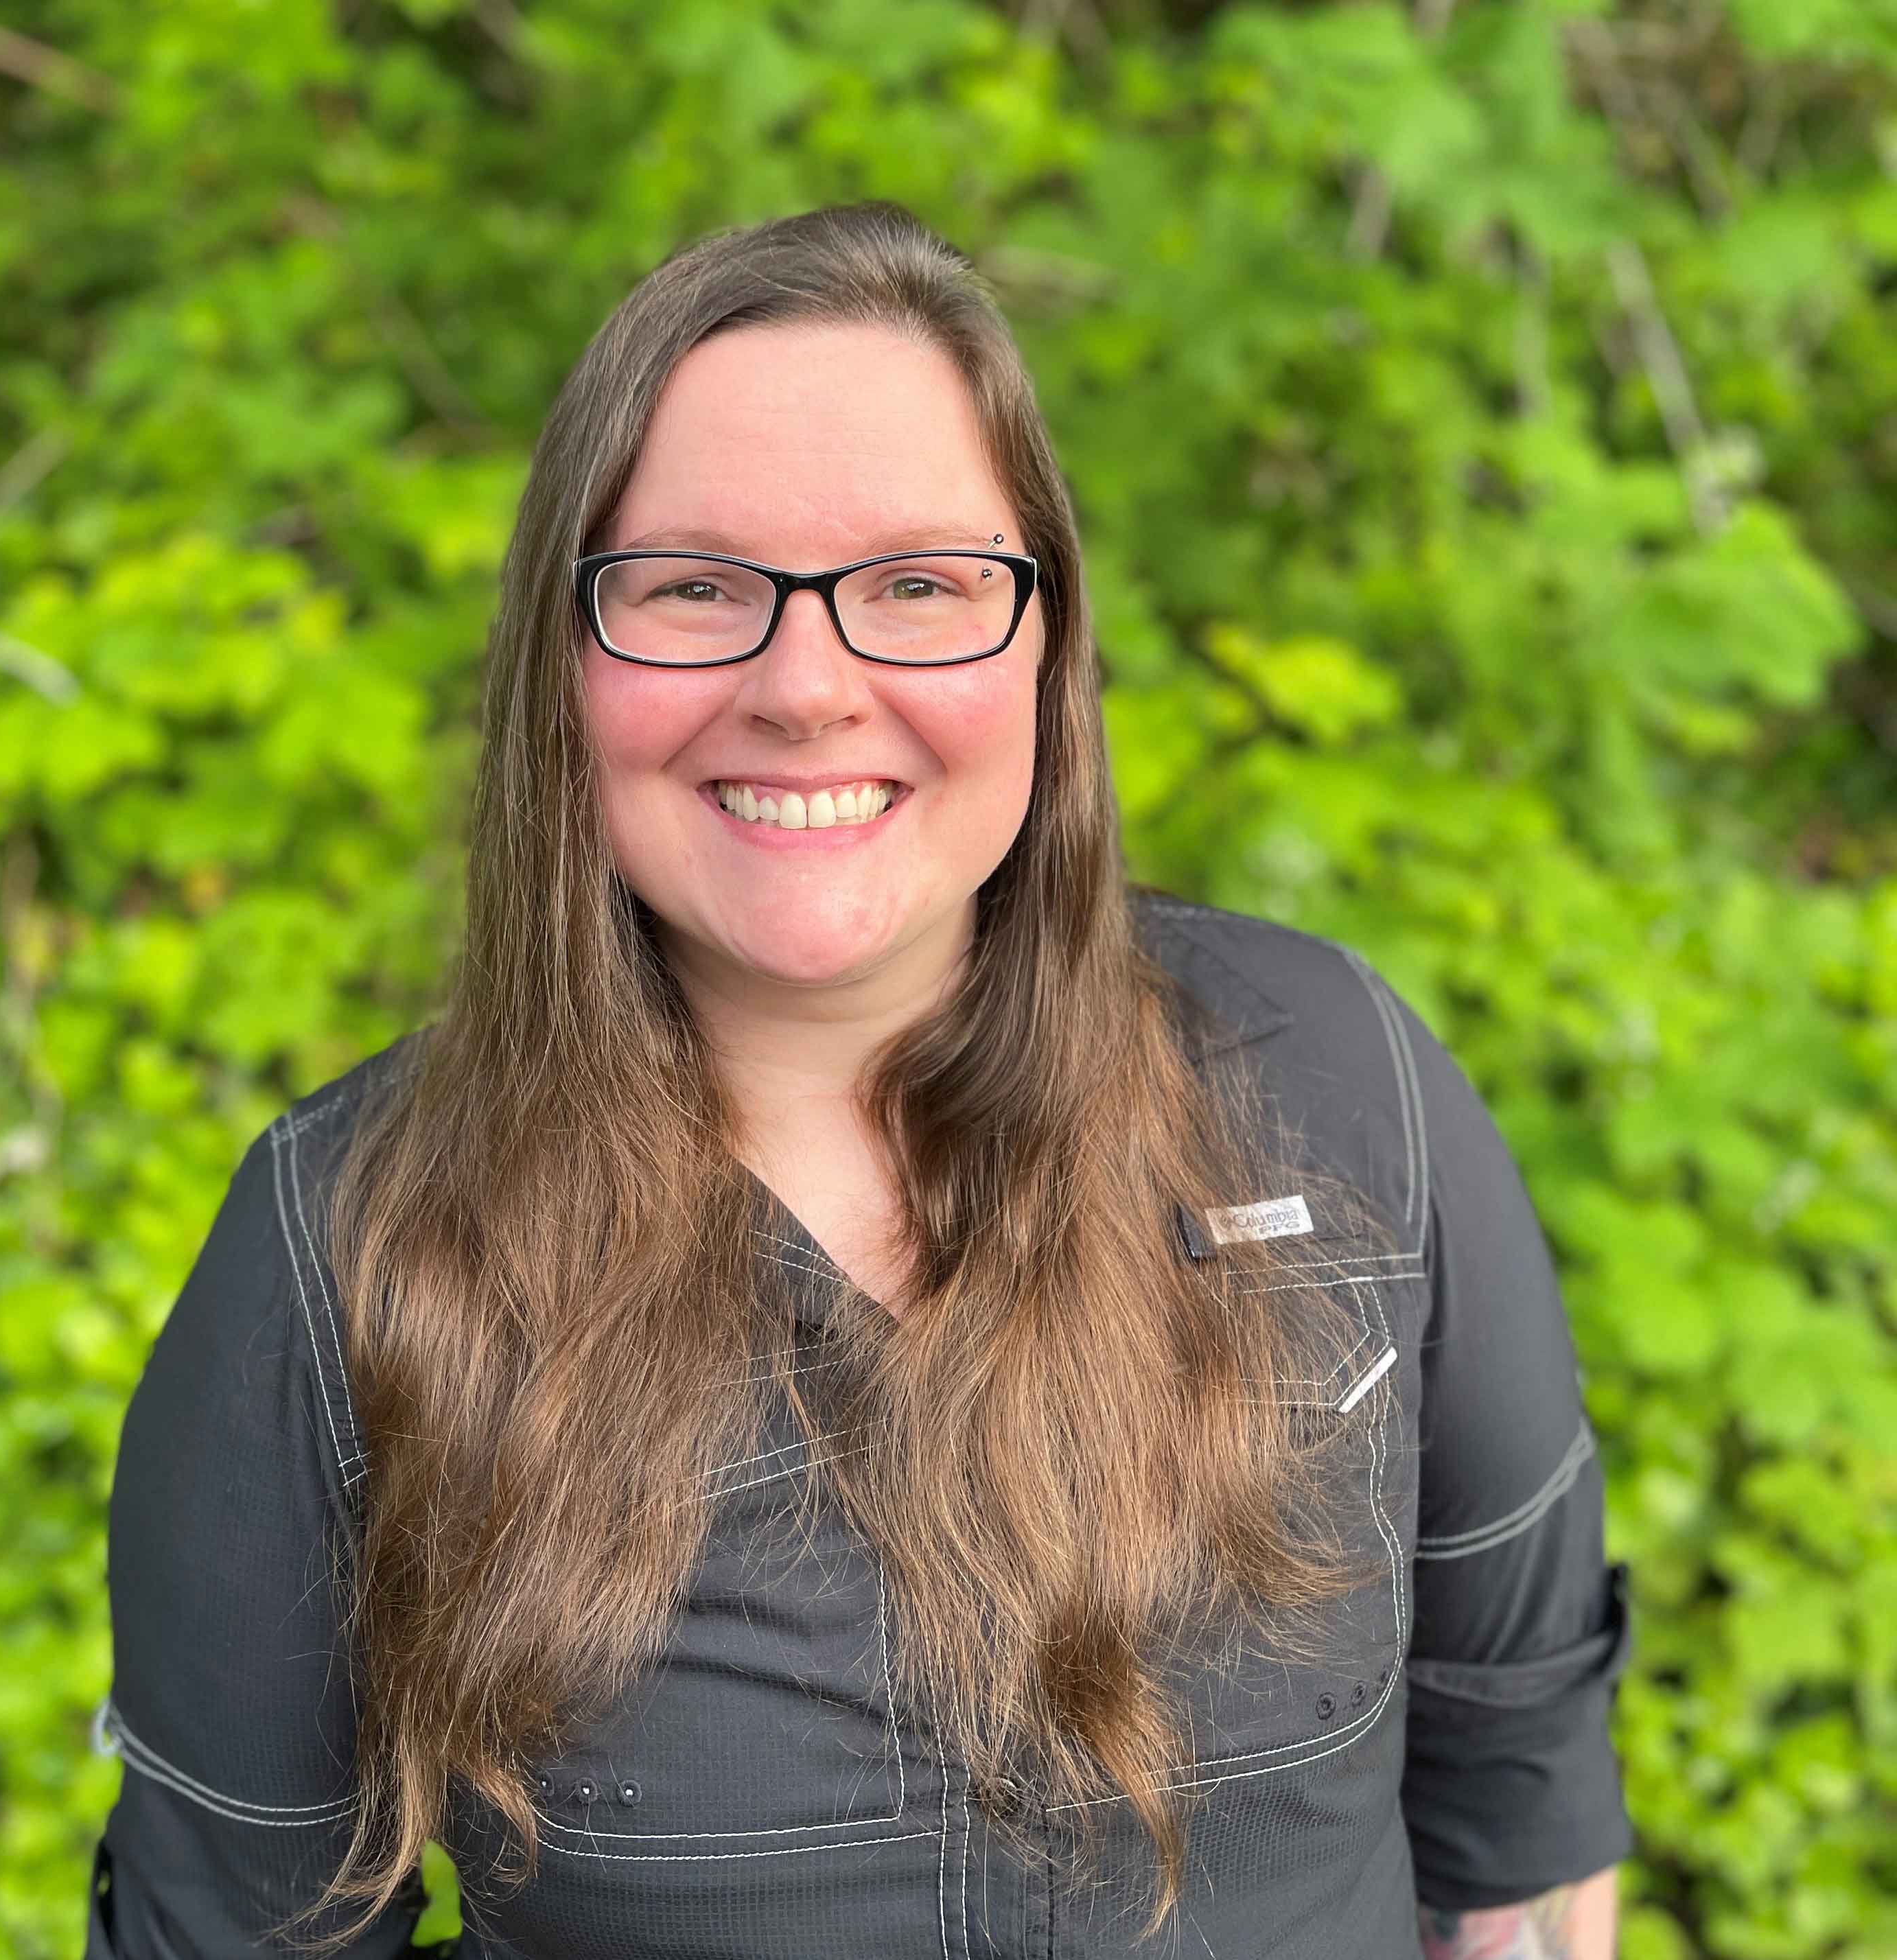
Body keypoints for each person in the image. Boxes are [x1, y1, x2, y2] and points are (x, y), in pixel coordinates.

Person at [83, 201, 1633, 1960]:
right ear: (563, 665)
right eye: (693, 589)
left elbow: (1524, 1820)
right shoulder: (341, 1253)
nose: (807, 685)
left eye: (920, 585)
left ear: (1045, 647)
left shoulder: (1345, 1089)